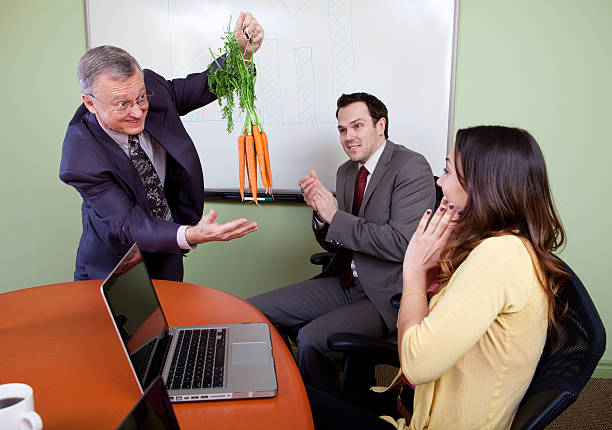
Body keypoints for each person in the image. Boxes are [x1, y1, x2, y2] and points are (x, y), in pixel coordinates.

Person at [306, 125, 570, 430]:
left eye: (447, 171)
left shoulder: (499, 256)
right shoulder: (506, 246)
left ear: (482, 185)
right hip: (416, 409)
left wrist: (414, 274)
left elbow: (416, 364)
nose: (439, 182)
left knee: (294, 403)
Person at [247, 92, 436, 392]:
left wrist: (335, 215)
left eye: (357, 126)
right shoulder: (346, 172)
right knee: (252, 312)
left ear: (380, 126)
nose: (348, 137)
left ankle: (322, 414)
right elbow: (336, 244)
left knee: (311, 340)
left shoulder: (411, 167)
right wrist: (322, 218)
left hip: (385, 294)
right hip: (343, 281)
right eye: (342, 130)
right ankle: (281, 398)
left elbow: (402, 243)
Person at [59, 13, 263, 281]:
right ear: (90, 103)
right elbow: (129, 223)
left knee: (169, 321)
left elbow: (202, 86)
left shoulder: (151, 89)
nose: (137, 111)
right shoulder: (81, 159)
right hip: (114, 267)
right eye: (122, 104)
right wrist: (189, 234)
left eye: (140, 98)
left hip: (167, 251)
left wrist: (242, 55)